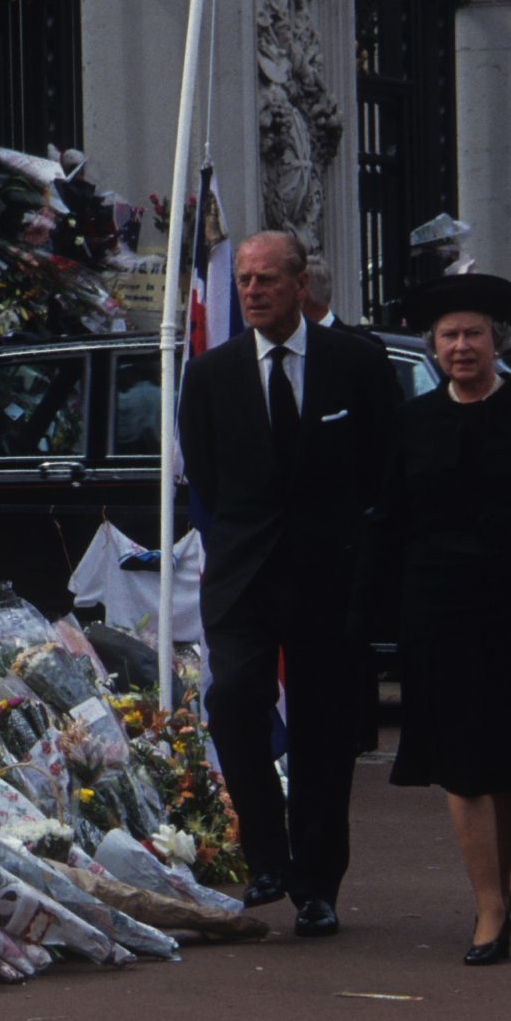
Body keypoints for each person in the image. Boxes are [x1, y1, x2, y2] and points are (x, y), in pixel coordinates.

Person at [180, 230, 399, 938]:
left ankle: (317, 883)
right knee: (235, 695)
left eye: (266, 280)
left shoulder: (356, 364)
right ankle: (266, 857)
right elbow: (208, 478)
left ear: (301, 285)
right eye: (244, 279)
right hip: (244, 574)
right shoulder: (212, 375)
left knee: (323, 734)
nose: (251, 292)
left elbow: (381, 467)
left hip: (328, 577)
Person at [375, 271, 511, 967]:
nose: (462, 347)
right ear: (433, 348)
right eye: (449, 337)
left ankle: (498, 884)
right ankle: (488, 907)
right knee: (462, 761)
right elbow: (390, 518)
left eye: (473, 334)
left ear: (496, 342)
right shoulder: (412, 422)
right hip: (440, 608)